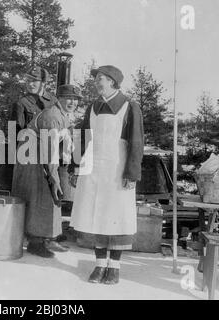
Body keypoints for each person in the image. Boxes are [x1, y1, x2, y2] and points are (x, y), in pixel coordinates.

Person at [69, 65, 144, 284]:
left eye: (100, 78)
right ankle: (100, 264)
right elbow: (82, 138)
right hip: (93, 170)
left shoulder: (130, 107)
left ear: (112, 81)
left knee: (116, 217)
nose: (96, 82)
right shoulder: (93, 107)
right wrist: (76, 167)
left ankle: (115, 267)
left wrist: (132, 173)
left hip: (118, 171)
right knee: (95, 216)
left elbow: (137, 142)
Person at [11, 66, 70, 257]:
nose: (30, 83)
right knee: (33, 196)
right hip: (30, 154)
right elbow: (15, 132)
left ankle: (48, 237)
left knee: (49, 196)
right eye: (28, 80)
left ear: (44, 83)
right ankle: (34, 241)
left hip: (51, 152)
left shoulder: (53, 101)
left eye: (34, 80)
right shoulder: (21, 103)